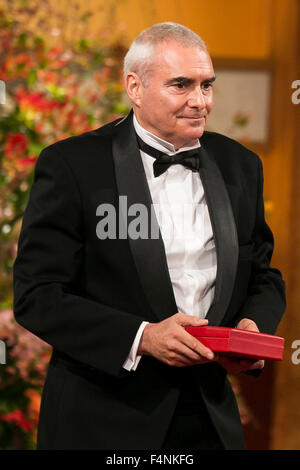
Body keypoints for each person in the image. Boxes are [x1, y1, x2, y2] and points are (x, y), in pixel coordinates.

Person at [13, 22, 285, 450]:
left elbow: (264, 275)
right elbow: (37, 295)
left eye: (207, 85)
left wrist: (251, 327)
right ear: (134, 88)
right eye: (181, 85)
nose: (200, 102)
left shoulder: (241, 165)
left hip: (211, 421)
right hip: (104, 419)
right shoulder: (73, 165)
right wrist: (142, 337)